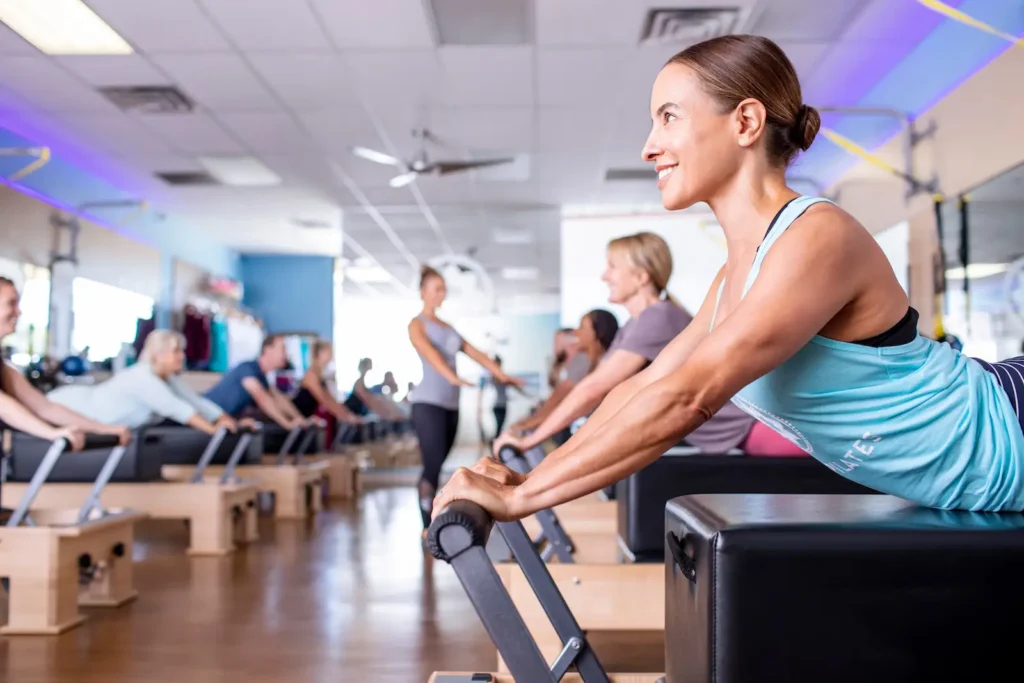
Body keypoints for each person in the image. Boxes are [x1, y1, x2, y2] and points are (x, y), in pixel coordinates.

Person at [433, 34, 1024, 520]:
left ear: (745, 121)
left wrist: (522, 498)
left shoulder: (816, 237)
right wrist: (528, 476)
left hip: (1010, 430)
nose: (648, 146)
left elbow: (689, 398)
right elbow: (644, 387)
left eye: (669, 117)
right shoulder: (734, 277)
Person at [495, 231, 758, 458]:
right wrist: (534, 432)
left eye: (612, 266)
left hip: (745, 429)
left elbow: (594, 389)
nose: (604, 276)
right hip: (722, 433)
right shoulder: (633, 325)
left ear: (641, 276)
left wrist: (530, 440)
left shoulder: (658, 317)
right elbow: (597, 389)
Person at [408, 265, 525, 529]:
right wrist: (451, 377)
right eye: (437, 288)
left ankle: (431, 519)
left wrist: (501, 374)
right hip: (427, 402)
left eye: (444, 288)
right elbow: (429, 353)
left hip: (451, 402)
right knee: (432, 465)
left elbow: (477, 353)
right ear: (423, 292)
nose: (442, 293)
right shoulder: (417, 324)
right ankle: (428, 525)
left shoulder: (448, 328)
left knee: (439, 462)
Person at [0, 277, 130, 450]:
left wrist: (104, 429)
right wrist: (50, 433)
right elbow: (3, 406)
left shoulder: (4, 369)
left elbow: (45, 408)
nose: (18, 312)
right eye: (11, 303)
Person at [48, 330, 239, 435]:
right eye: (176, 351)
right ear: (158, 354)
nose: (182, 357)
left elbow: (195, 401)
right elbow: (176, 408)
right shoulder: (142, 377)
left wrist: (226, 420)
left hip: (88, 413)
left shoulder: (167, 378)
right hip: (69, 407)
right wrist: (213, 430)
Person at [505, 309, 619, 443]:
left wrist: (534, 423)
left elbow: (572, 400)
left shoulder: (609, 362)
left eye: (582, 327)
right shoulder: (583, 359)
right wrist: (535, 421)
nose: (577, 332)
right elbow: (560, 396)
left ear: (596, 333)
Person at [204, 334, 311, 430]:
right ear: (267, 349)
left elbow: (279, 399)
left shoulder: (262, 378)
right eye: (283, 349)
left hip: (222, 417)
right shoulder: (248, 368)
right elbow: (263, 399)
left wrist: (300, 419)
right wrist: (287, 424)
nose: (286, 355)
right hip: (203, 413)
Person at [292, 339, 364, 425]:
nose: (331, 355)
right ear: (320, 353)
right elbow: (325, 400)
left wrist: (349, 415)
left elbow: (330, 399)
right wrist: (347, 417)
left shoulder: (319, 376)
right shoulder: (311, 375)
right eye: (329, 352)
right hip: (296, 414)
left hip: (305, 416)